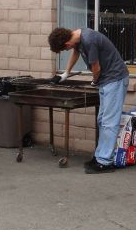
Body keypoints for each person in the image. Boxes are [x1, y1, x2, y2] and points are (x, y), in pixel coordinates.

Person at [48, 27, 129, 174]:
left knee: (109, 122)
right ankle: (99, 157)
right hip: (107, 81)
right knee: (102, 120)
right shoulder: (77, 36)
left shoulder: (89, 40)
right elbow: (76, 52)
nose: (68, 50)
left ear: (67, 43)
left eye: (65, 49)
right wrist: (65, 74)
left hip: (115, 79)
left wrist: (94, 81)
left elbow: (96, 68)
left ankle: (105, 162)